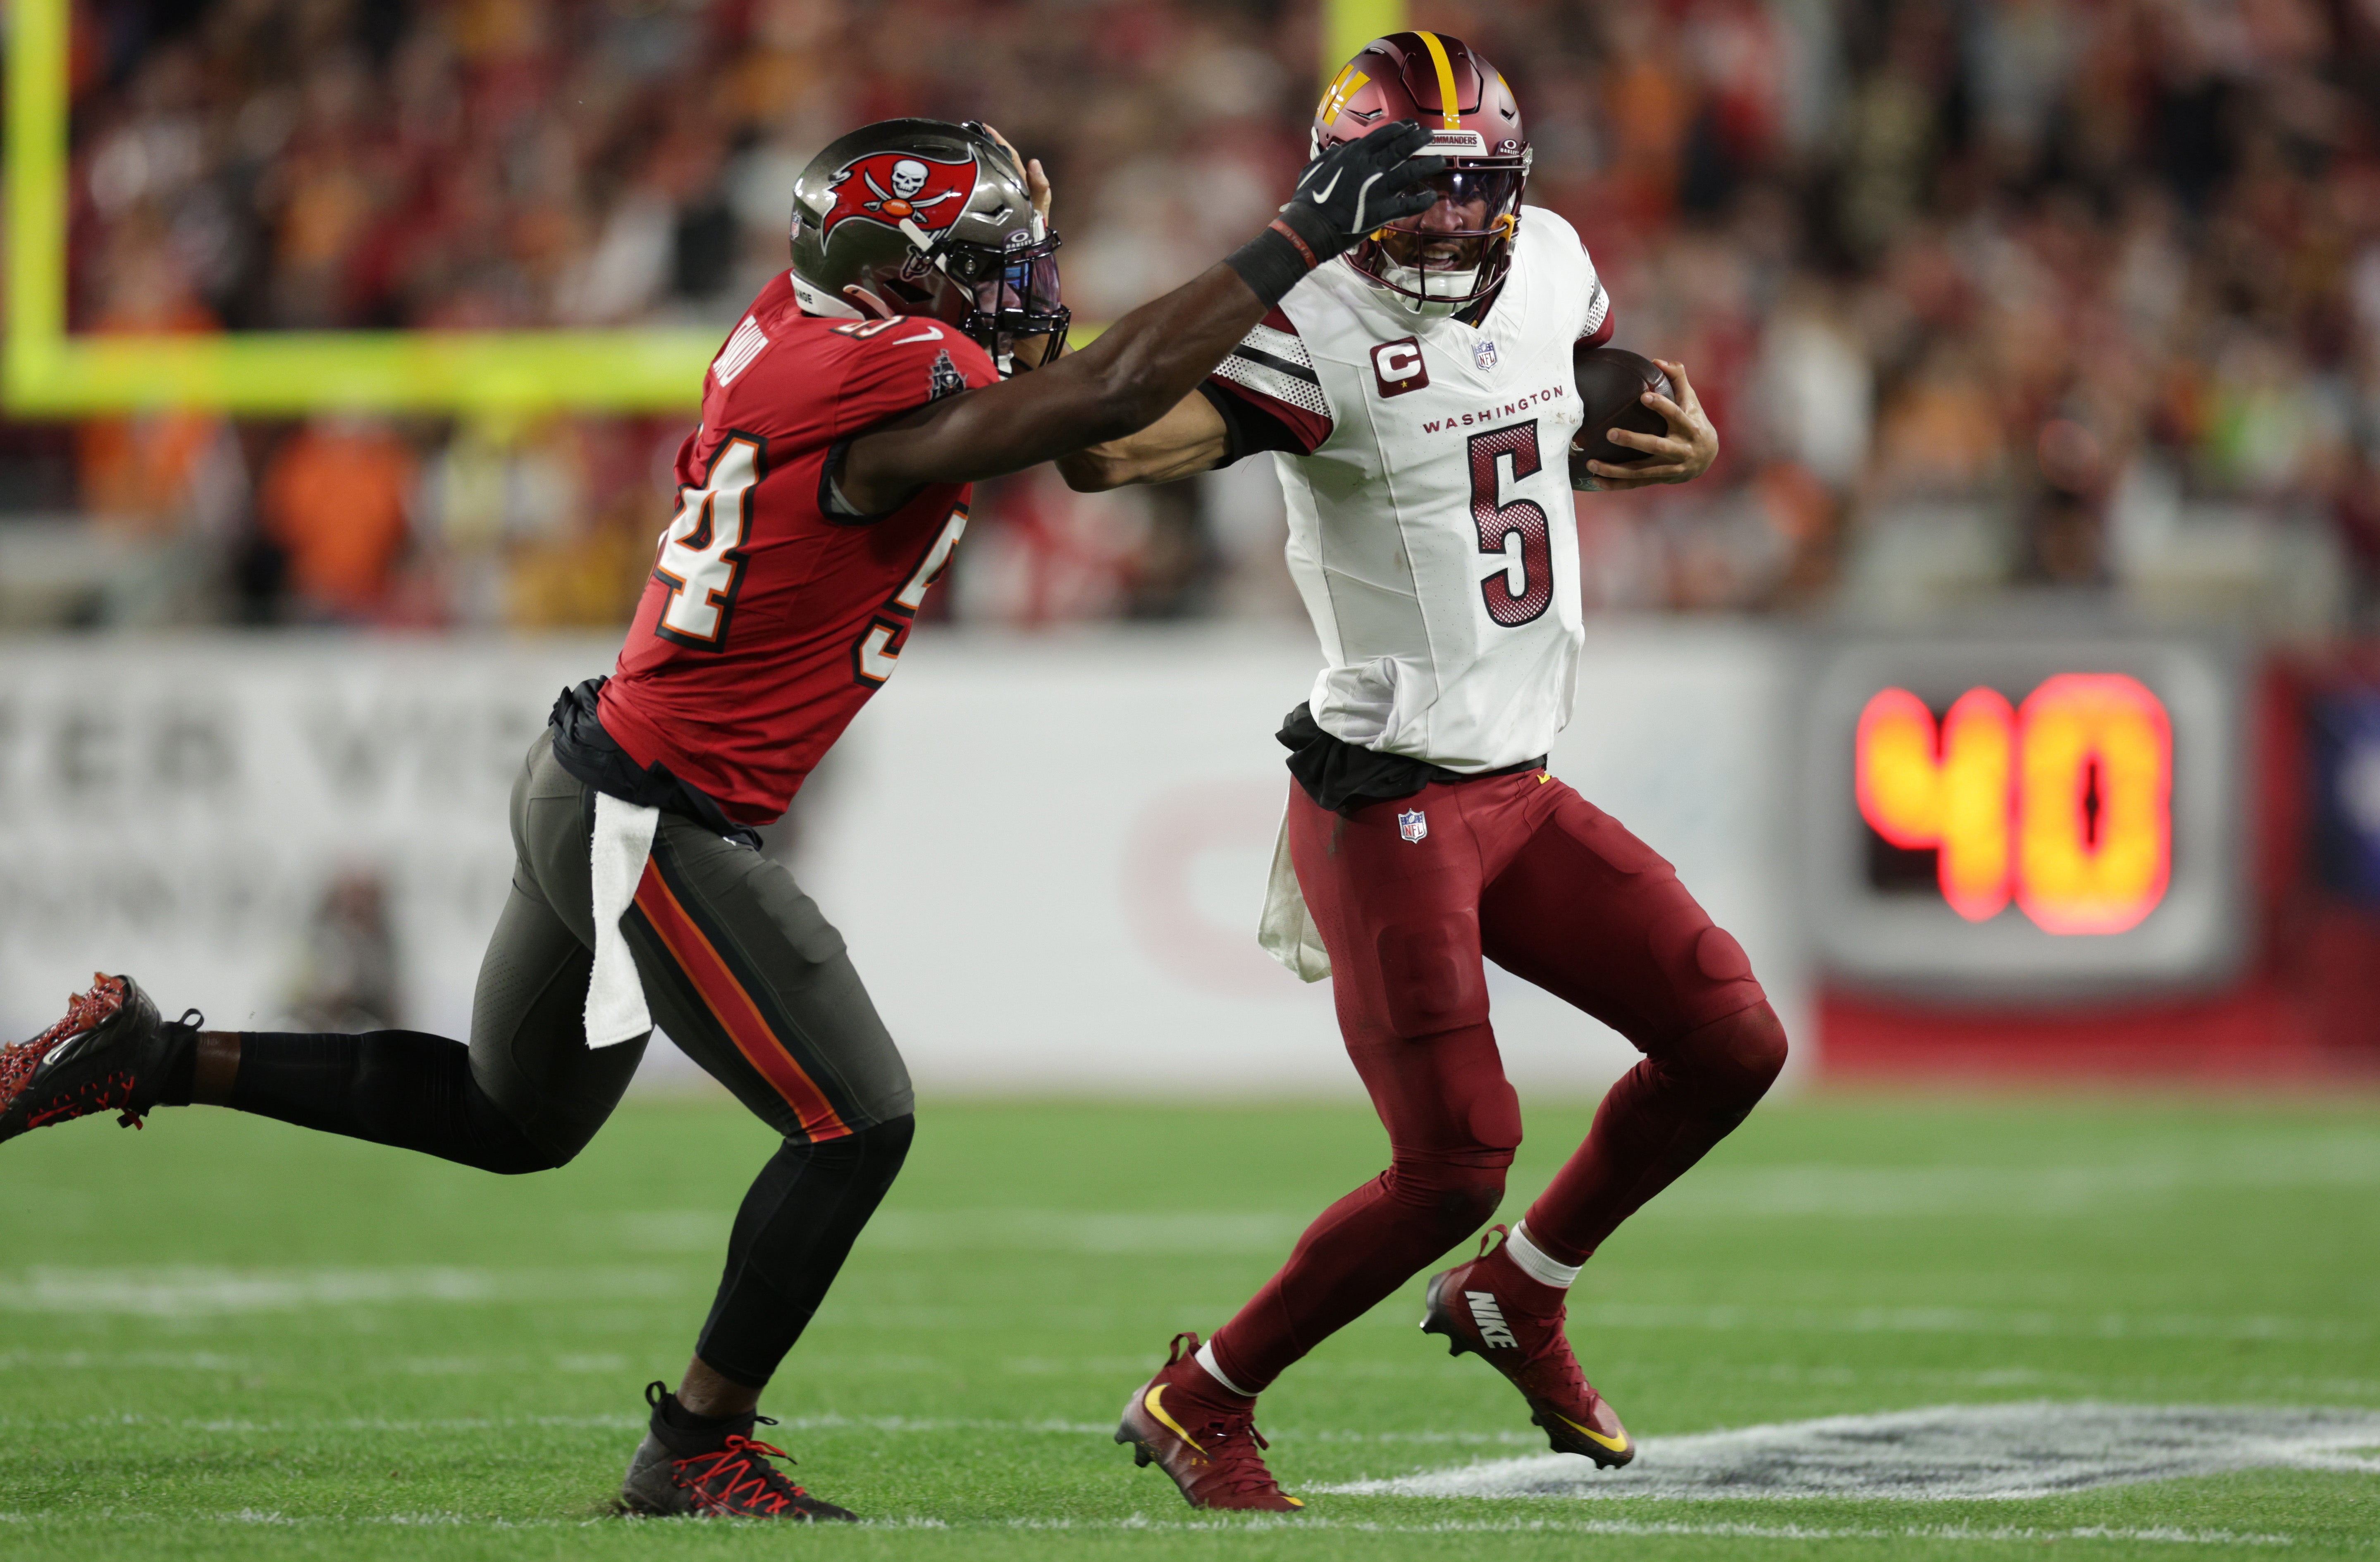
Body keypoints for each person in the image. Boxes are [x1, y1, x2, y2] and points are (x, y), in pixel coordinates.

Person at [0, 116, 1443, 1521]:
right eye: (989, 258)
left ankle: (154, 1053)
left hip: (596, 772)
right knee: (857, 1120)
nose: (1021, 285)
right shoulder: (890, 371)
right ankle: (697, 1440)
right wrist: (1307, 231)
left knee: (514, 1121)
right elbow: (1110, 393)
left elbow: (1088, 399)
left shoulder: (811, 326)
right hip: (651, 814)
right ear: (898, 270)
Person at [1060, 34, 1786, 1512]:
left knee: (1732, 1041)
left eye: (1480, 189)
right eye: (1421, 189)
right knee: (1455, 1163)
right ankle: (1201, 1398)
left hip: (1517, 784)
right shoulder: (1311, 315)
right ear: (1345, 184)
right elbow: (1113, 452)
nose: (1457, 220)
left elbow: (1533, 406)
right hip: (1383, 789)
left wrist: (1673, 438)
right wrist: (1223, 297)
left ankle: (1521, 1292)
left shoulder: (1556, 264)